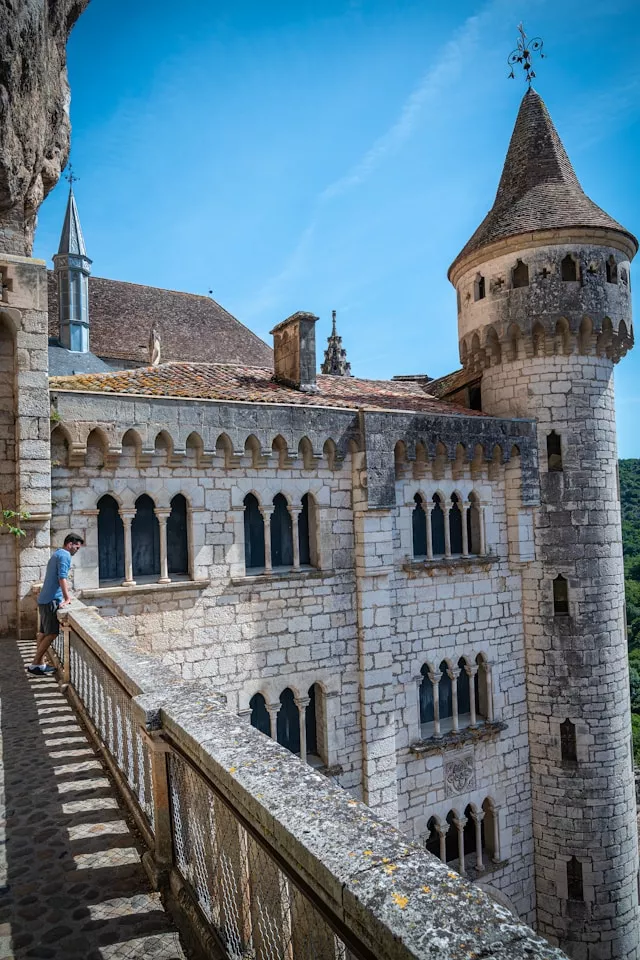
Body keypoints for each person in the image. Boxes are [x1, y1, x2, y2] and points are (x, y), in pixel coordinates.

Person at [28, 534, 84, 675]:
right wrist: (67, 597)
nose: (77, 550)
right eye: (76, 547)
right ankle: (35, 664)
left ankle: (40, 664)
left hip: (44, 599)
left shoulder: (57, 554)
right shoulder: (65, 555)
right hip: (52, 600)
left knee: (43, 633)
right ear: (69, 544)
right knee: (52, 633)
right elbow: (62, 578)